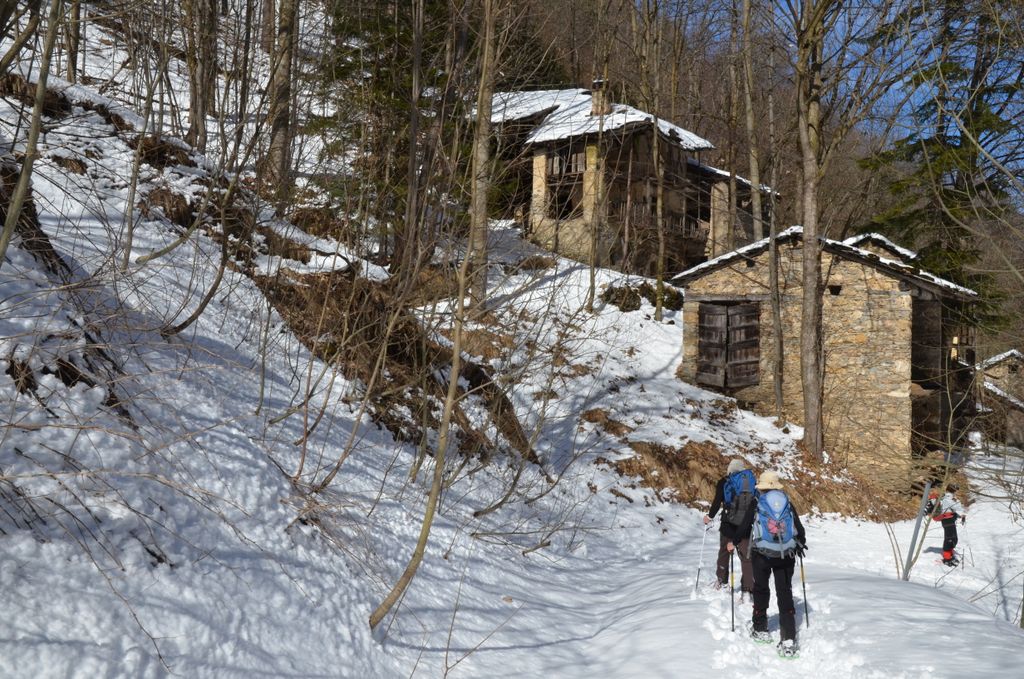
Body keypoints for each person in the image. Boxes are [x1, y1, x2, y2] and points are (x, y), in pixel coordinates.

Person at [733, 470, 806, 658]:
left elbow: (744, 526)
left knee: (761, 588)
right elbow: (799, 528)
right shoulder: (786, 502)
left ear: (763, 487)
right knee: (784, 591)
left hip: (762, 554)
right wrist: (800, 543)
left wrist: (734, 540)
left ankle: (760, 628)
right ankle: (788, 638)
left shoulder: (757, 502)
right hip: (785, 554)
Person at [704, 459, 756, 596]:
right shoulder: (750, 483)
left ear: (730, 469)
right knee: (746, 557)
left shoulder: (724, 482)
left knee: (724, 552)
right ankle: (747, 590)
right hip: (745, 526)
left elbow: (716, 502)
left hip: (728, 524)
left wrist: (709, 517)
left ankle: (722, 581)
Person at [926, 482, 967, 567]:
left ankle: (950, 555)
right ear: (953, 490)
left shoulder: (946, 497)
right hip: (947, 520)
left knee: (952, 538)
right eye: (955, 489)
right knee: (950, 538)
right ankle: (947, 558)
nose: (956, 491)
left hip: (949, 520)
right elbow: (956, 507)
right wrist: (962, 514)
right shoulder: (948, 498)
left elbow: (955, 507)